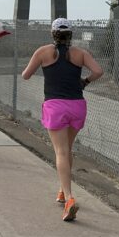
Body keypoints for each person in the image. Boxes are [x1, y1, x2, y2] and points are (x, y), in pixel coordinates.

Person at [21, 18, 104, 222]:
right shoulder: (80, 53)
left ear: (53, 33)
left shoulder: (43, 52)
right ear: (71, 34)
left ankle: (69, 198)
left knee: (61, 152)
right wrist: (85, 81)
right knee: (68, 149)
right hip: (77, 106)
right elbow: (98, 71)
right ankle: (61, 190)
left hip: (55, 106)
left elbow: (25, 75)